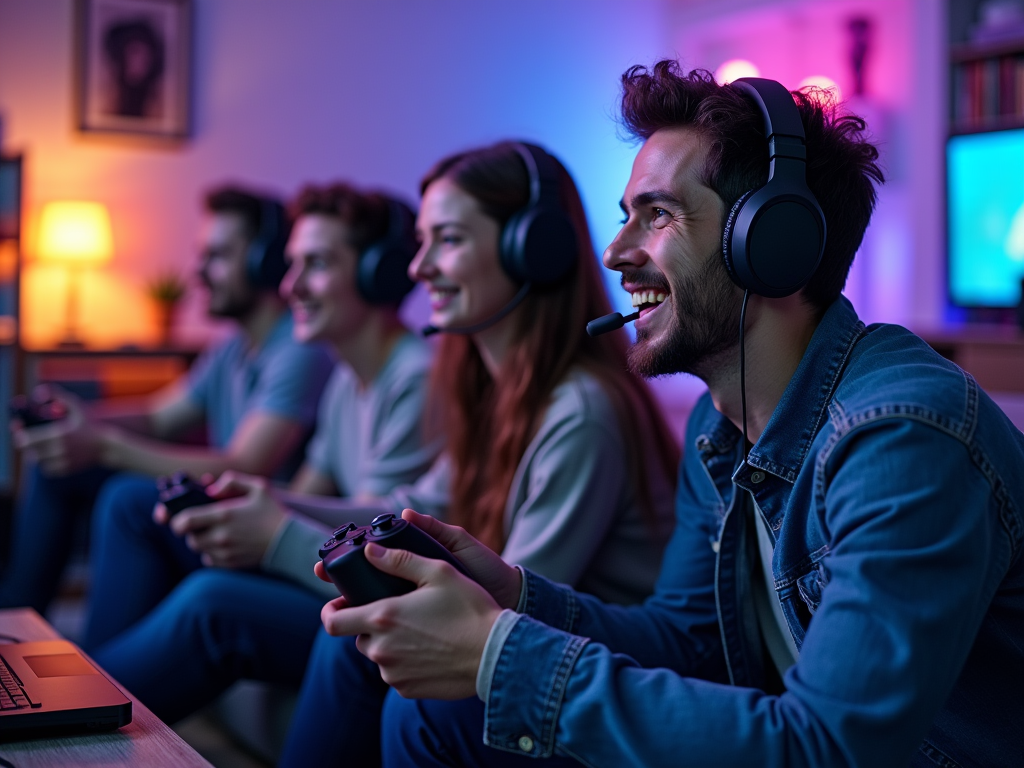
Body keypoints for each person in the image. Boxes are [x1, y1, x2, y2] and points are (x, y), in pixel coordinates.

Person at [315, 64, 1024, 768]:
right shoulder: (719, 430)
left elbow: (830, 750)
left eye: (657, 215)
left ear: (772, 245)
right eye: (626, 217)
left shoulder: (904, 439)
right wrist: (516, 596)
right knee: (436, 712)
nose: (616, 253)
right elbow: (690, 644)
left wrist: (505, 655)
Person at [266, 141, 680, 767]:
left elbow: (511, 610)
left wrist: (273, 537)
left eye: (449, 240)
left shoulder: (581, 412)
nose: (418, 267)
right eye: (422, 241)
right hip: (532, 651)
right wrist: (268, 503)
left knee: (351, 646)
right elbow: (410, 509)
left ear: (532, 250)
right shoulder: (491, 391)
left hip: (585, 679)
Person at [81, 186, 441, 723]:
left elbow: (368, 543)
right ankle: (78, 682)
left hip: (368, 588)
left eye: (315, 265)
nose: (290, 285)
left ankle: (80, 706)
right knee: (136, 504)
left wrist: (266, 524)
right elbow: (309, 495)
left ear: (378, 274)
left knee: (212, 600)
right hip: (326, 565)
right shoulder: (347, 377)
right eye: (291, 264)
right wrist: (238, 504)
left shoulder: (415, 376)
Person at [0, 186, 334, 615]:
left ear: (263, 263)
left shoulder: (297, 349)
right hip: (222, 507)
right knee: (61, 465)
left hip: (256, 529)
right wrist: (80, 420)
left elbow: (246, 464)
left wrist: (100, 443)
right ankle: (15, 615)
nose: (199, 271)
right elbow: (160, 416)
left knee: (126, 496)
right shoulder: (232, 349)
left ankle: (94, 667)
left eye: (217, 256)